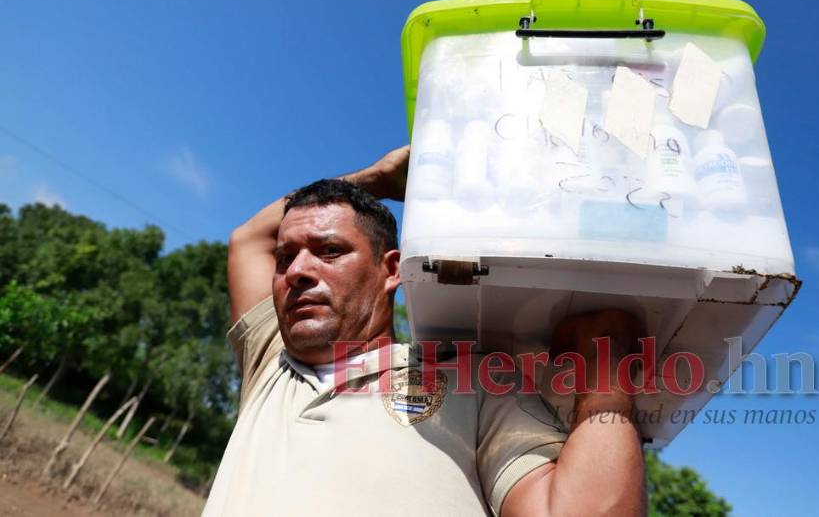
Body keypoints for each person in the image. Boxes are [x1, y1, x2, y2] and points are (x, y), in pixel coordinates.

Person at [202, 146, 647, 517]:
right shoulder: (270, 363)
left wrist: (607, 375)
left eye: (329, 250)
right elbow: (250, 238)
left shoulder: (476, 383)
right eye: (286, 258)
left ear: (391, 269)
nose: (297, 271)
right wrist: (375, 178)